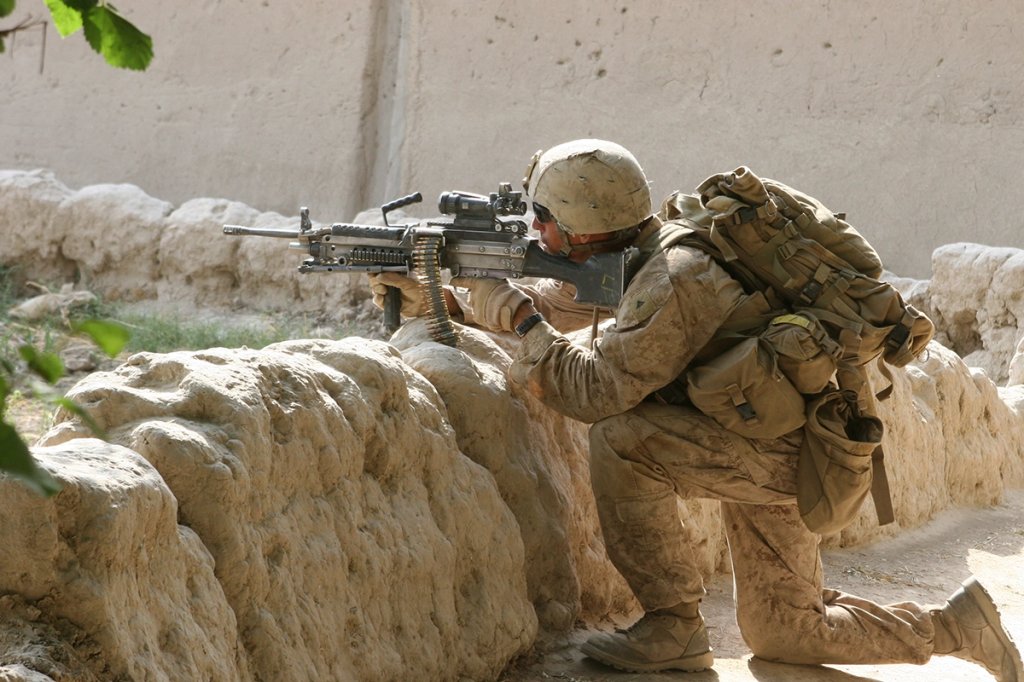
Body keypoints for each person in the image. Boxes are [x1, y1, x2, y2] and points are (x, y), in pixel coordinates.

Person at [368, 139, 1023, 680]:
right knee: (784, 636)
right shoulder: (659, 249)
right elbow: (568, 306)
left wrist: (513, 313)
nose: (535, 231)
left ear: (587, 224)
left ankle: (673, 625)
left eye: (544, 219)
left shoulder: (675, 279)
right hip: (776, 433)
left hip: (786, 458)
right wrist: (450, 301)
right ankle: (957, 626)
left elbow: (594, 392)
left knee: (623, 439)